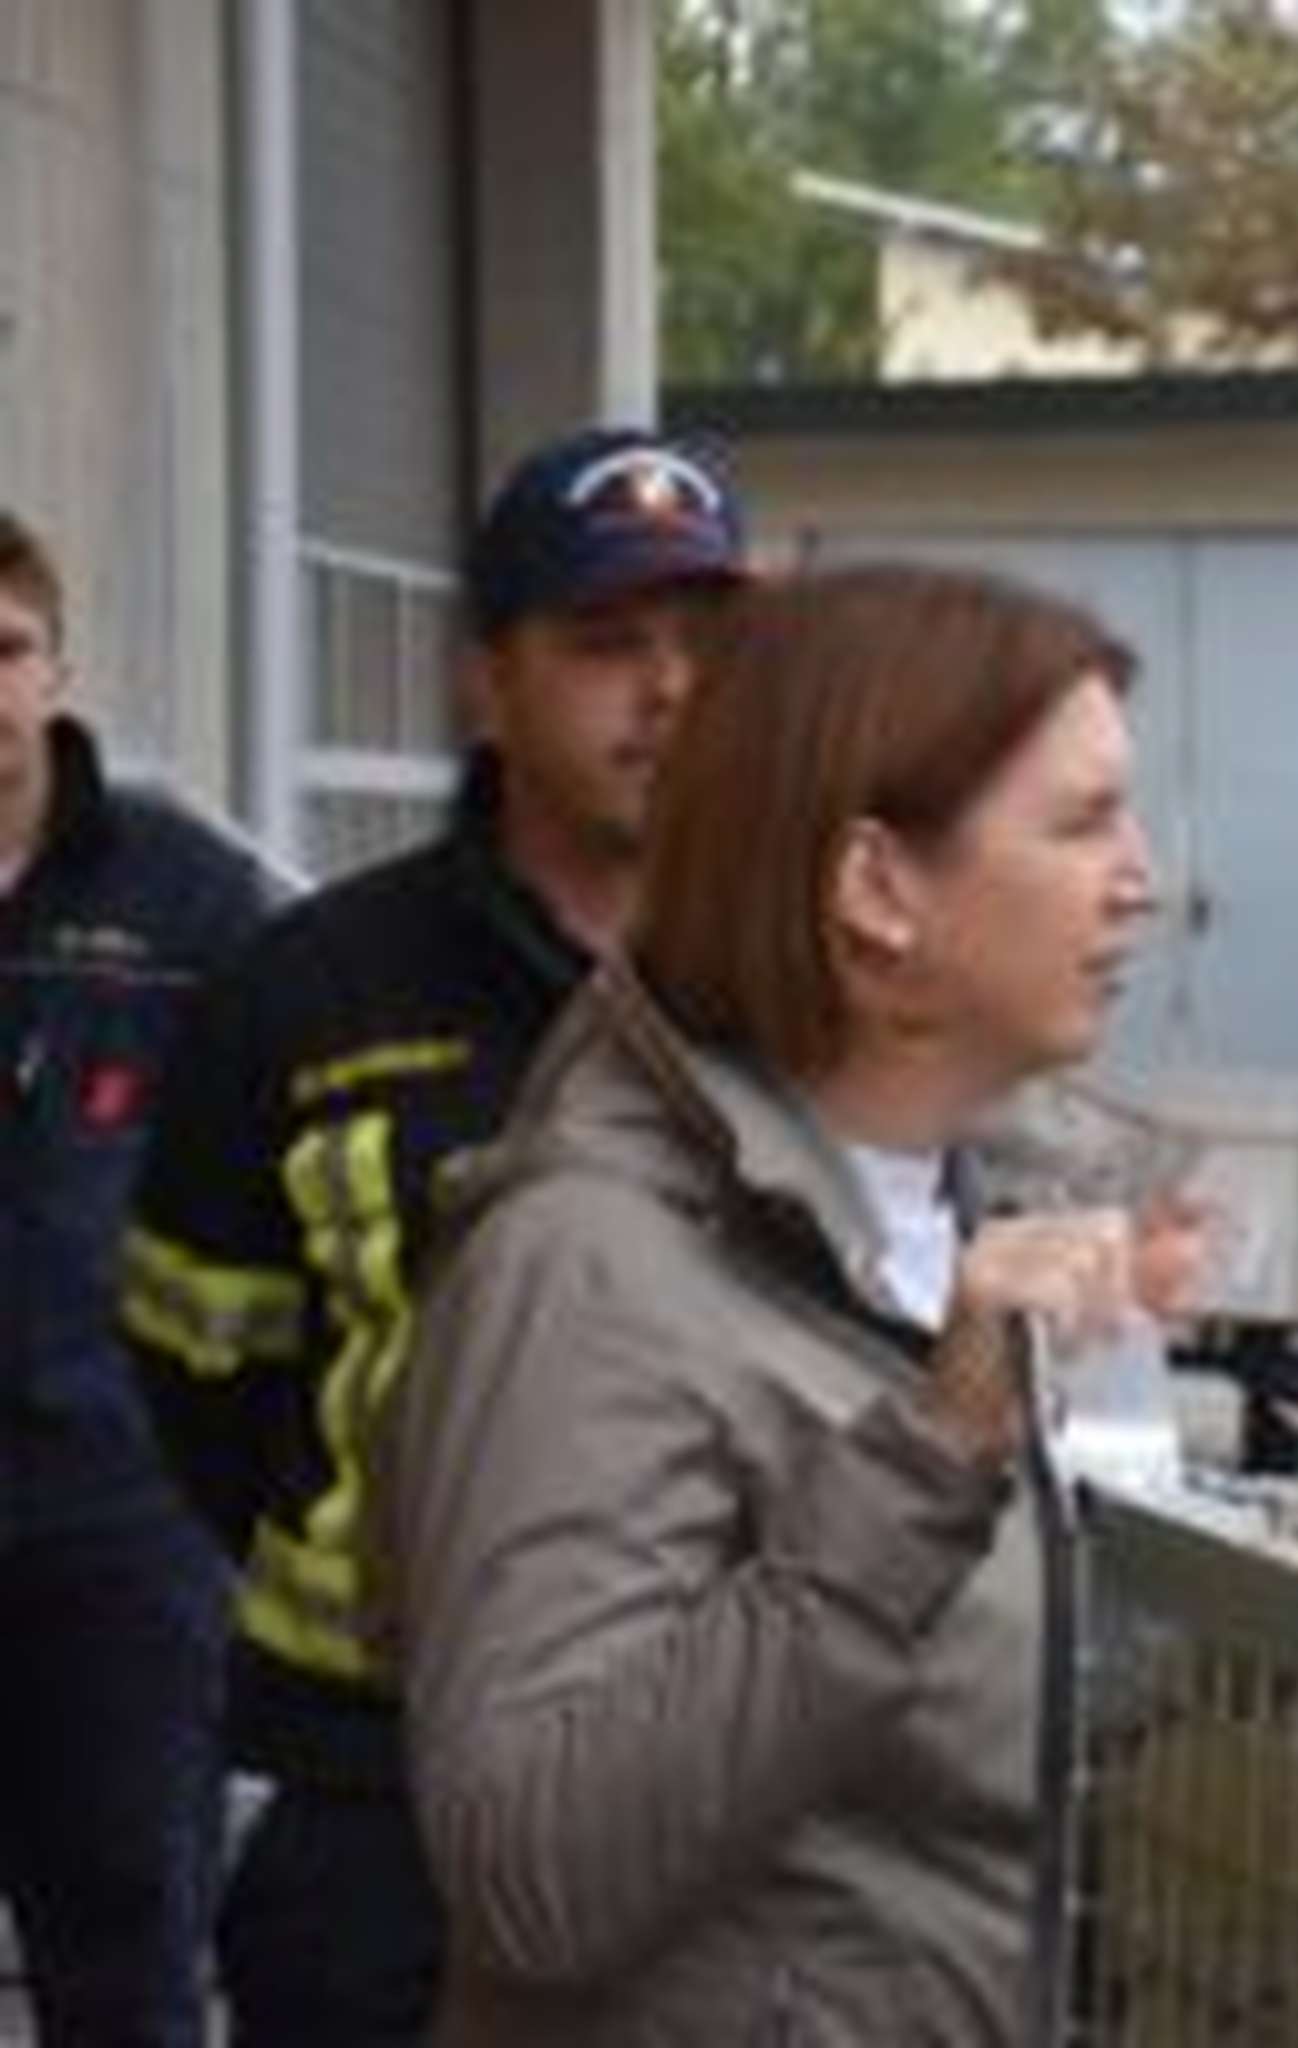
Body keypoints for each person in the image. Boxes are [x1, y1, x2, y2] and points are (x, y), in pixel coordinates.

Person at [386, 564, 1154, 2041]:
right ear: (876, 891)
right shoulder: (588, 1269)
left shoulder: (976, 1215)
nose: (1143, 877)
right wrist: (930, 1462)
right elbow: (532, 1870)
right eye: (1080, 822)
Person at [119, 426, 747, 2045]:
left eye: (709, 646)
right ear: (488, 684)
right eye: (609, 646)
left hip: (722, 1776)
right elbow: (203, 1366)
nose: (669, 692)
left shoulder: (820, 982)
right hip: (377, 1789)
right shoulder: (306, 991)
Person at [0, 512, 274, 2045]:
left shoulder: (193, 899)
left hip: (119, 1530)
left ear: (58, 666)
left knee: (126, 1953)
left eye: (5, 651)